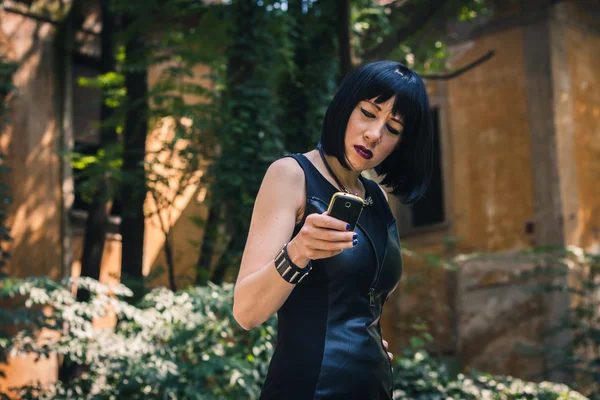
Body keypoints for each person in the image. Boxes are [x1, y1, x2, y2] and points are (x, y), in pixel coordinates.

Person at [233, 60, 433, 400]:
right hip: (307, 387)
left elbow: (357, 303)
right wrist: (298, 252)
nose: (375, 134)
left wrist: (367, 348)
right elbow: (246, 312)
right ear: (345, 105)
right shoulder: (291, 175)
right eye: (369, 113)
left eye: (394, 129)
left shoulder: (378, 199)